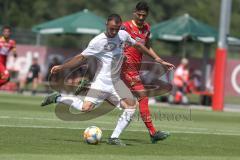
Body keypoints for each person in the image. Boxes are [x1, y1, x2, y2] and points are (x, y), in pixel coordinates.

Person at [41, 14, 174, 146]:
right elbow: (81, 58)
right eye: (111, 29)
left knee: (131, 106)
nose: (114, 32)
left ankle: (114, 138)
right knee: (85, 108)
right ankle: (58, 98)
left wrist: (158, 59)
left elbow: (138, 46)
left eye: (117, 29)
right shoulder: (97, 41)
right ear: (106, 25)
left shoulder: (123, 35)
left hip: (116, 82)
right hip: (101, 83)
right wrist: (62, 67)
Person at [120, 1, 174, 143]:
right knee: (142, 97)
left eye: (144, 15)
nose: (141, 18)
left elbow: (147, 46)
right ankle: (152, 132)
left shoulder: (146, 29)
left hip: (135, 69)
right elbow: (113, 41)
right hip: (126, 68)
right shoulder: (125, 27)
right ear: (134, 13)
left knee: (101, 100)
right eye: (139, 15)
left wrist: (159, 60)